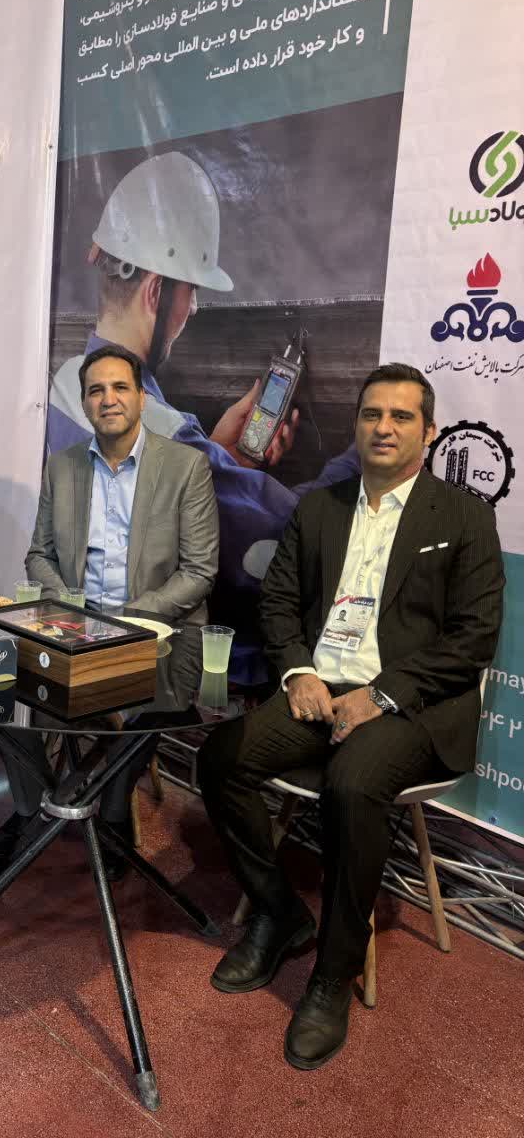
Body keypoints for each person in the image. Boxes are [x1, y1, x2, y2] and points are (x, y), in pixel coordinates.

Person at [199, 364, 504, 1070]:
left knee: (353, 782)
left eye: (401, 417)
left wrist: (383, 693)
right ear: (357, 425)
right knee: (221, 758)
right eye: (372, 414)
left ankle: (333, 975)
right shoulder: (319, 508)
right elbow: (278, 603)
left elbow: (473, 638)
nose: (384, 427)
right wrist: (298, 671)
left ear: (429, 432)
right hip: (320, 689)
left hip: (412, 705)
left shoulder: (462, 518)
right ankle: (279, 912)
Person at [48, 151, 359, 684]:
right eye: (191, 289)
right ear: (156, 291)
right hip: (160, 660)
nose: (192, 308)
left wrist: (222, 453)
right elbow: (283, 533)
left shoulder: (64, 384)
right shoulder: (166, 431)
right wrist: (364, 454)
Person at [0, 343, 219, 877]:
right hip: (73, 629)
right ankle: (30, 808)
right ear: (85, 403)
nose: (108, 399)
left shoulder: (186, 467)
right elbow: (39, 555)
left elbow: (199, 572)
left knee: (143, 708)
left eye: (119, 387)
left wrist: (126, 619)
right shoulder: (62, 467)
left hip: (155, 632)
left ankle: (110, 816)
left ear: (141, 397)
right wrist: (72, 613)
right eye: (96, 390)